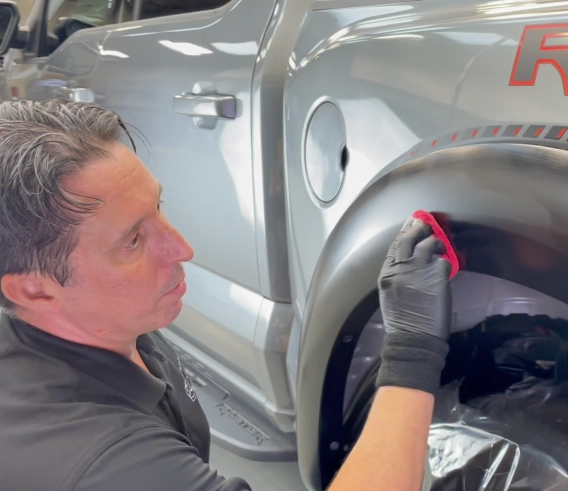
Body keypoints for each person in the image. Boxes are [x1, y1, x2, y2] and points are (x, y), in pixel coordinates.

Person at [0, 99, 457, 490]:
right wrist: (412, 350)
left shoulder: (94, 322)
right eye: (133, 241)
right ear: (34, 290)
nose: (182, 249)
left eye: (157, 207)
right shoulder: (100, 459)